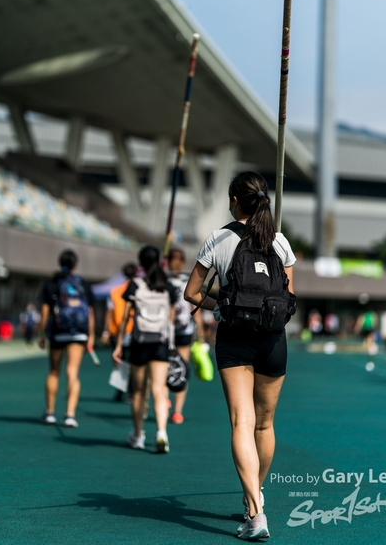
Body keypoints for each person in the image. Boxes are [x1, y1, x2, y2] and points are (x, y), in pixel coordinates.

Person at [184, 171, 296, 541]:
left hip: (235, 339)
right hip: (273, 341)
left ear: (234, 199)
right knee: (264, 424)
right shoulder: (279, 242)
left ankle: (256, 513)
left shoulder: (219, 238)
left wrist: (224, 306)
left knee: (241, 423)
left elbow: (192, 292)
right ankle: (254, 498)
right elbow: (288, 299)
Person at [113, 245, 176, 453]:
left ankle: (138, 435)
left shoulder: (135, 285)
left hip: (140, 343)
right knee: (159, 390)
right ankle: (162, 433)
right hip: (160, 343)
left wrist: (120, 344)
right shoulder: (167, 286)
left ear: (141, 263)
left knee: (139, 392)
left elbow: (125, 318)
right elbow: (171, 318)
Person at [38, 249, 95, 428]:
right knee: (73, 373)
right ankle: (70, 414)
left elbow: (45, 311)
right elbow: (90, 312)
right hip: (78, 332)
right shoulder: (83, 284)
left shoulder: (52, 283)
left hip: (57, 332)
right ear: (75, 264)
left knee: (54, 371)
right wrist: (91, 335)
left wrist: (41, 333)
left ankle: (50, 412)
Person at [167, 247, 203, 424]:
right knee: (162, 368)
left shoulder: (187, 280)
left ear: (183, 262)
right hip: (165, 332)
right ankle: (164, 398)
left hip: (183, 331)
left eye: (178, 259)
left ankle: (177, 410)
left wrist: (201, 333)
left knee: (181, 368)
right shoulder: (162, 280)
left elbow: (194, 306)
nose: (175, 262)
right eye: (172, 258)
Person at [102, 263, 137, 401]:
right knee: (133, 361)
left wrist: (106, 332)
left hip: (118, 331)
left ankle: (121, 389)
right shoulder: (139, 288)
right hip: (134, 330)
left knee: (119, 361)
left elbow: (109, 313)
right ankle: (130, 391)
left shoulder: (115, 291)